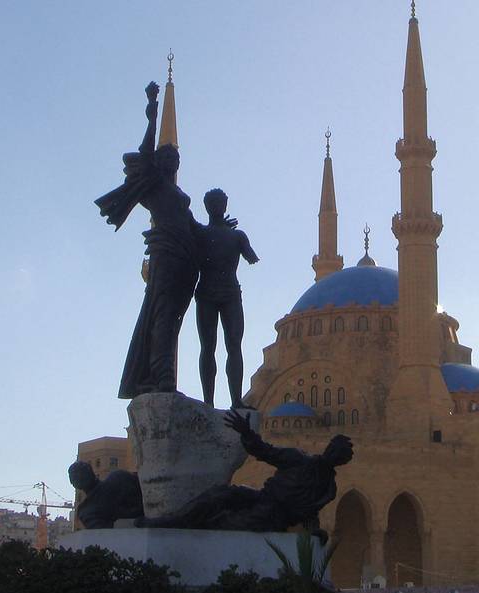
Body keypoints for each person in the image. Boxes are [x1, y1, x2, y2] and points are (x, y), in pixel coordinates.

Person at [95, 83, 235, 399]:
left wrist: (219, 229)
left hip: (186, 263)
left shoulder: (178, 196)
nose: (175, 159)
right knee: (163, 314)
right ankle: (162, 377)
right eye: (169, 155)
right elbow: (146, 153)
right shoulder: (155, 185)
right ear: (160, 162)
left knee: (173, 319)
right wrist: (152, 112)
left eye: (177, 156)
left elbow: (195, 229)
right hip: (167, 256)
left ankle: (162, 374)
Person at [136, 410, 353, 533]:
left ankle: (187, 532)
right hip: (262, 497)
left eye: (341, 455)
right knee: (222, 494)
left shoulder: (328, 489)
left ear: (341, 461)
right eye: (335, 450)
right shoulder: (298, 459)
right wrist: (246, 432)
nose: (335, 455)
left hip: (275, 517)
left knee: (229, 524)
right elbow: (265, 451)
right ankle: (168, 522)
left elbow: (310, 513)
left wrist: (315, 532)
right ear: (329, 448)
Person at [195, 188, 259, 408]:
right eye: (214, 203)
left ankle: (234, 401)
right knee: (209, 346)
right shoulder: (205, 234)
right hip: (208, 293)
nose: (217, 206)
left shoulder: (233, 236)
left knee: (232, 345)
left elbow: (251, 256)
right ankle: (209, 401)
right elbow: (251, 256)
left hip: (228, 293)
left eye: (219, 202)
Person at [68, 461, 143, 529]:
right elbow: (103, 531)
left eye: (81, 473)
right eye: (75, 476)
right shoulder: (85, 511)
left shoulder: (118, 478)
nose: (79, 477)